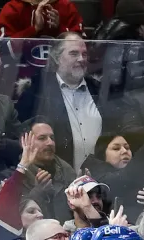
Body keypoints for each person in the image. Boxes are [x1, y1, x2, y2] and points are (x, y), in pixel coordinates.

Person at [20, 34, 106, 173]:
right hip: (54, 180)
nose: (81, 59)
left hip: (98, 180)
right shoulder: (36, 92)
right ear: (57, 58)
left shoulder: (99, 90)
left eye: (84, 54)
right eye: (74, 53)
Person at [0, 0, 82, 38]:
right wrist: (34, 29)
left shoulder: (67, 7)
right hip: (20, 71)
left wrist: (59, 29)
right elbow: (3, 49)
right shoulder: (12, 8)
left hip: (62, 72)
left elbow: (83, 47)